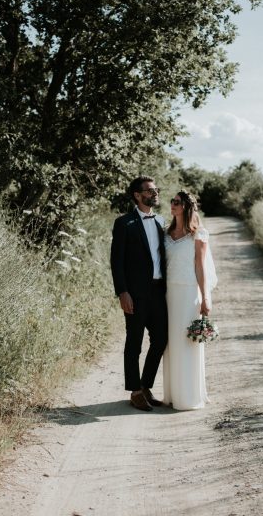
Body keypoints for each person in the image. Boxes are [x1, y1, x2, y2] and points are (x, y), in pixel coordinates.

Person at [111, 176, 168, 412]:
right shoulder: (124, 223)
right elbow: (117, 261)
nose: (155, 193)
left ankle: (146, 386)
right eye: (150, 190)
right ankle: (134, 391)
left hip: (158, 291)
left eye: (156, 190)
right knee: (134, 343)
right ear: (137, 195)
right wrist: (123, 292)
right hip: (135, 293)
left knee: (161, 339)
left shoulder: (161, 221)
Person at [163, 190, 217, 410]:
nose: (172, 205)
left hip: (188, 294)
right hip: (168, 294)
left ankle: (189, 396)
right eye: (172, 201)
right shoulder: (165, 233)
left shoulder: (199, 234)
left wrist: (205, 298)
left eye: (176, 202)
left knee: (187, 343)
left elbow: (200, 267)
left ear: (186, 206)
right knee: (171, 344)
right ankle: (173, 395)